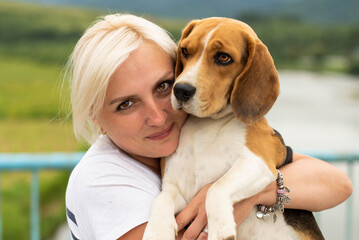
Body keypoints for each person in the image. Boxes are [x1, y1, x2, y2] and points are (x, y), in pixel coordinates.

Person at [64, 13, 352, 240]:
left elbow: (336, 183)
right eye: (126, 104)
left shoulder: (203, 128)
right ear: (96, 117)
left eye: (164, 86)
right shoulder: (101, 180)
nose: (158, 116)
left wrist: (249, 194)